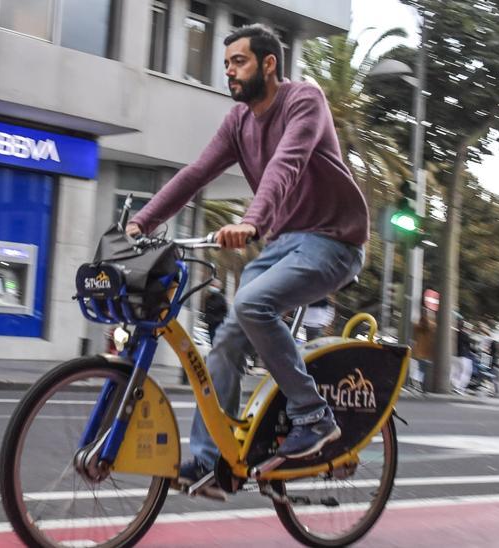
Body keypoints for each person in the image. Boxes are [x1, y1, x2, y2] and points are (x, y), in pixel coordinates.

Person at [124, 24, 368, 493]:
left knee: (252, 305)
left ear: (269, 64)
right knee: (228, 340)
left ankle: (313, 416)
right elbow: (196, 174)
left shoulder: (303, 101)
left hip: (334, 241)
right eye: (227, 65)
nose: (230, 73)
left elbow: (286, 164)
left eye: (239, 62)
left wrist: (252, 222)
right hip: (283, 245)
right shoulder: (238, 121)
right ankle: (212, 464)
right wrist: (143, 222)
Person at [410, 312, 436, 390]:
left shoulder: (418, 328)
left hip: (418, 351)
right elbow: (433, 326)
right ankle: (417, 380)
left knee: (420, 367)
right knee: (422, 369)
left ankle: (416, 380)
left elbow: (415, 325)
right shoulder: (431, 328)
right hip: (426, 352)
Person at [202, 281, 229, 345]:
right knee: (212, 342)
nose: (212, 287)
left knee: (216, 342)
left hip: (218, 324)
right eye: (212, 285)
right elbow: (207, 310)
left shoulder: (221, 298)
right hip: (210, 324)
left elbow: (225, 311)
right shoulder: (208, 297)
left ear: (219, 287)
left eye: (214, 285)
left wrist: (219, 319)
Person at [452, 321, 475, 394]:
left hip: (457, 356)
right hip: (465, 356)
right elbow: (471, 347)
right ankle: (461, 389)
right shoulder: (465, 335)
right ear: (465, 328)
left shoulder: (456, 334)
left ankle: (456, 387)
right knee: (466, 373)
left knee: (457, 372)